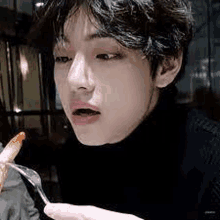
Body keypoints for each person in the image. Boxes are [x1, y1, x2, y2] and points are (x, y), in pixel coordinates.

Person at [1, 0, 220, 219]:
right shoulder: (76, 155)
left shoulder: (211, 161)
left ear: (166, 64)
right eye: (62, 57)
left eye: (105, 55)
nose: (74, 79)